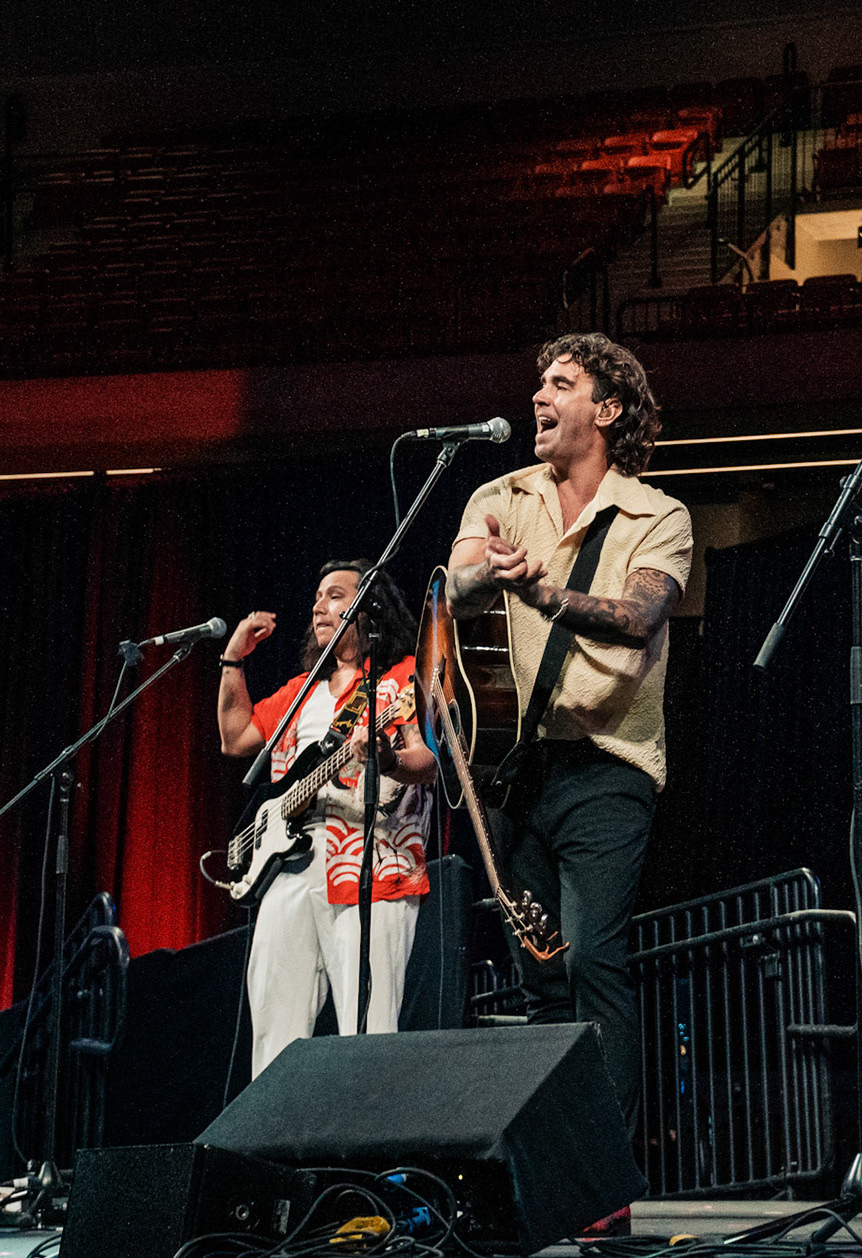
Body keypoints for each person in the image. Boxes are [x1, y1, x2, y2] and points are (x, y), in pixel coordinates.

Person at [448, 332, 691, 1134]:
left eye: (561, 384)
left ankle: (608, 1170)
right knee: (540, 974)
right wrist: (486, 571)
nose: (539, 396)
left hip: (608, 763)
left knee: (591, 959)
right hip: (513, 768)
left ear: (608, 409)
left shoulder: (658, 514)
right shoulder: (500, 495)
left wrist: (544, 593)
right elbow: (455, 583)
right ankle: (553, 1162)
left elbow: (641, 615)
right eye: (540, 382)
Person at [218, 560, 438, 1076]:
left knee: (368, 1032)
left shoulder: (403, 677)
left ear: (370, 609)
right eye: (317, 597)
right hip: (289, 868)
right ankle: (274, 1128)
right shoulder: (300, 691)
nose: (319, 606)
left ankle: (368, 1129)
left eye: (336, 596)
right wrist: (232, 659)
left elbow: (428, 761)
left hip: (370, 863)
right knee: (274, 1028)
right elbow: (235, 736)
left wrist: (387, 760)